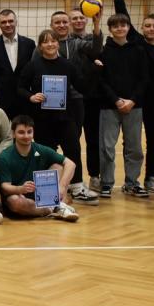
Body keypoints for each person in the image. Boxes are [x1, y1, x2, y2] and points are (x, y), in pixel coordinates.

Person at [18, 30, 99, 205]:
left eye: (53, 41)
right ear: (40, 46)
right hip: (42, 119)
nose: (50, 44)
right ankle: (48, 191)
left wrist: (93, 69)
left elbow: (83, 87)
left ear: (57, 44)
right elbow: (20, 87)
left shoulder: (67, 65)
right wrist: (31, 96)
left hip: (65, 117)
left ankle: (77, 187)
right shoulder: (33, 66)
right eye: (45, 42)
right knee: (46, 154)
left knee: (73, 150)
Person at [112, 0, 154, 193]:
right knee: (132, 144)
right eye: (147, 25)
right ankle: (131, 180)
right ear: (142, 27)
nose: (151, 29)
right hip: (136, 101)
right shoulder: (137, 42)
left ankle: (151, 177)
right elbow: (124, 17)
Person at [44, 10, 103, 192]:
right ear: (51, 25)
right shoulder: (45, 45)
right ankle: (52, 183)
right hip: (51, 102)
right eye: (57, 22)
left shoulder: (77, 43)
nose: (61, 25)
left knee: (72, 143)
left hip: (75, 100)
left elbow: (96, 49)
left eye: (64, 22)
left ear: (68, 24)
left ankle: (74, 182)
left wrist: (96, 24)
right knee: (50, 143)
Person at [97, 13, 149, 198]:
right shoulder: (103, 51)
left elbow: (144, 79)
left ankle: (132, 183)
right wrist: (116, 100)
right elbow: (101, 81)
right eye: (115, 26)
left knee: (134, 147)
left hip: (134, 106)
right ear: (110, 29)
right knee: (107, 147)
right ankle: (106, 183)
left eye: (123, 25)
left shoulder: (139, 50)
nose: (120, 28)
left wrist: (132, 100)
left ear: (128, 27)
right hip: (109, 106)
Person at [0, 115, 79, 221]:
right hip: (20, 197)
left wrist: (62, 187)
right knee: (15, 201)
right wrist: (20, 189)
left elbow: (71, 164)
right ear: (13, 134)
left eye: (29, 132)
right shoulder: (5, 156)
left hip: (41, 196)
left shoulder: (41, 149)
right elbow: (5, 187)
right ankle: (53, 208)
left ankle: (57, 205)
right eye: (21, 132)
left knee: (58, 166)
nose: (26, 136)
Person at [0, 8, 34, 118]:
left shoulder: (29, 44)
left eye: (10, 21)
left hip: (24, 99)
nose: (7, 24)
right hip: (0, 100)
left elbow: (33, 72)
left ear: (16, 22)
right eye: (3, 22)